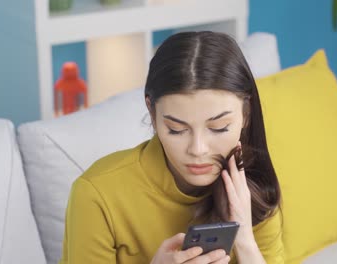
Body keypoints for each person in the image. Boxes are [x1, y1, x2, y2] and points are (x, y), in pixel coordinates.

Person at [59, 31, 283, 264]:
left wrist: (245, 239)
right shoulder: (96, 194)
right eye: (177, 129)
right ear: (152, 113)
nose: (198, 149)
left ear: (246, 115)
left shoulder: (253, 187)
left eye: (219, 127)